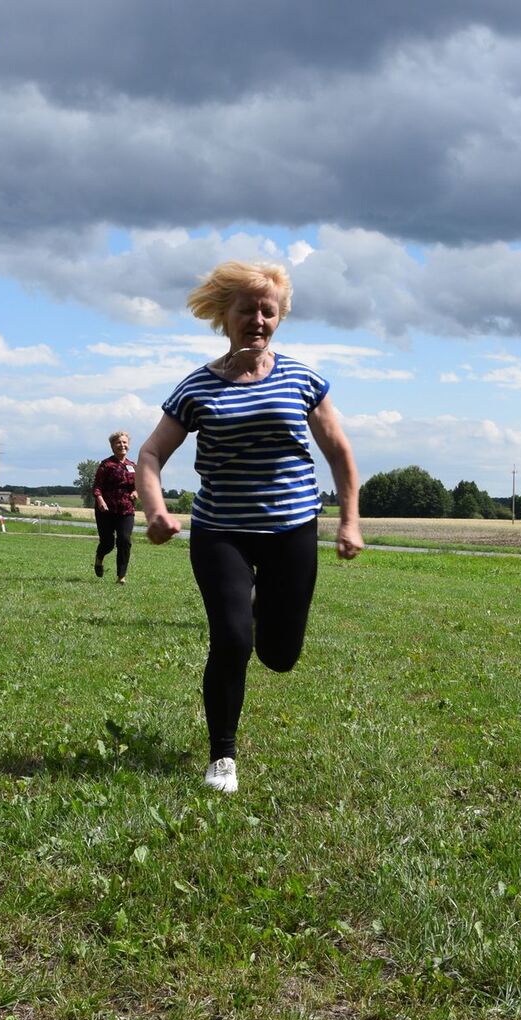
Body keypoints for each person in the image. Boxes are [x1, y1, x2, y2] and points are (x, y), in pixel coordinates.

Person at [136, 260, 363, 794]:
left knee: (280, 657)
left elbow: (338, 451)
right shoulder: (197, 386)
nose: (258, 320)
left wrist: (350, 521)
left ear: (279, 317)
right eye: (247, 310)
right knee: (232, 639)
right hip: (222, 531)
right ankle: (222, 756)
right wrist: (154, 511)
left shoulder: (303, 379)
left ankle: (261, 605)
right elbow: (150, 454)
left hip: (292, 529)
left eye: (269, 311)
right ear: (225, 316)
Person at [92, 430, 137, 583]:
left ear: (128, 445)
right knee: (108, 543)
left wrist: (136, 492)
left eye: (124, 442)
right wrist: (100, 500)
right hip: (106, 510)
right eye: (118, 442)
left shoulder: (132, 466)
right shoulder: (106, 465)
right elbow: (97, 487)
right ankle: (99, 558)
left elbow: (138, 486)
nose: (122, 445)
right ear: (112, 446)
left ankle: (121, 576)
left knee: (124, 540)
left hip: (126, 509)